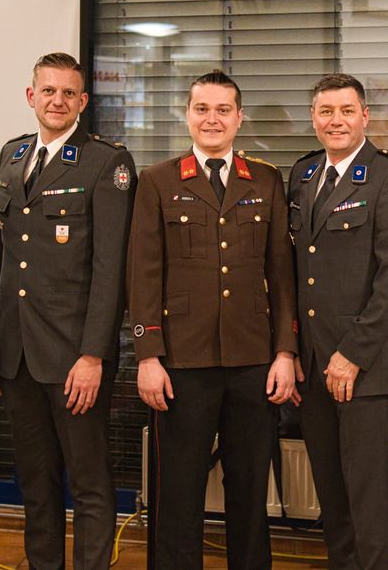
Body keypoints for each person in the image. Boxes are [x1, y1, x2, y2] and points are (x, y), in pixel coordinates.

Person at [126, 69, 297, 569]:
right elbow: (143, 274)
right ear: (187, 115)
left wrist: (285, 352)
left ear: (239, 118)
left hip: (251, 361)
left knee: (249, 495)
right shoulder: (157, 181)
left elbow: (282, 274)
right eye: (202, 108)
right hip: (181, 362)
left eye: (223, 109)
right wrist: (147, 356)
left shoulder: (265, 180)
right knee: (177, 496)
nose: (212, 119)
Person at [0, 52, 136, 569]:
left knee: (90, 484)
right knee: (36, 483)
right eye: (48, 91)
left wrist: (94, 355)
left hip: (76, 359)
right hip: (19, 354)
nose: (57, 101)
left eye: (68, 93)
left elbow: (111, 268)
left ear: (83, 102)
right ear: (32, 96)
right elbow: (0, 266)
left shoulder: (106, 162)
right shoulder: (11, 157)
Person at [288, 73, 388, 570]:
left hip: (362, 365)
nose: (336, 120)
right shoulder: (302, 176)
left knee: (366, 495)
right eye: (326, 111)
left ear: (365, 116)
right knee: (331, 492)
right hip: (315, 361)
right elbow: (298, 269)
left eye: (346, 110)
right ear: (314, 118)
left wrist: (352, 354)